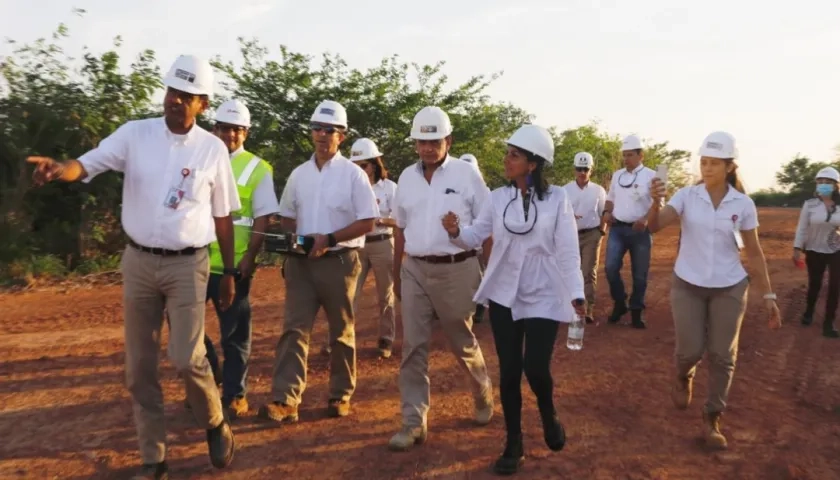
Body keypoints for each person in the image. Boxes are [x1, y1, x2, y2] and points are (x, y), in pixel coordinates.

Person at [27, 54, 238, 479]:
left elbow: (223, 217)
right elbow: (87, 163)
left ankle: (214, 420)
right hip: (139, 261)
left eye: (185, 95)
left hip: (188, 265)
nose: (174, 100)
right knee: (139, 367)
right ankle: (154, 459)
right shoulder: (135, 135)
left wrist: (229, 272)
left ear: (201, 104)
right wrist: (59, 169)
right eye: (171, 91)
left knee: (186, 356)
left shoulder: (212, 150)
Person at [442, 124, 586, 475]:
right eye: (508, 153)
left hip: (544, 293)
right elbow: (477, 235)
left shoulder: (557, 200)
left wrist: (577, 294)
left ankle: (548, 412)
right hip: (505, 292)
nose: (506, 160)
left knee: (535, 368)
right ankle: (513, 442)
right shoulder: (497, 197)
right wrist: (457, 232)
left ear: (533, 164)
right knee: (508, 373)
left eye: (514, 155)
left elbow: (567, 251)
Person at [646, 131, 782, 450]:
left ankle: (712, 417)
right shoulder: (686, 196)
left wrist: (769, 296)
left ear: (729, 166)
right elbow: (654, 226)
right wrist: (655, 202)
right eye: (703, 162)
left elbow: (754, 251)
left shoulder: (743, 204)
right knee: (690, 350)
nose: (706, 169)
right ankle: (684, 373)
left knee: (723, 355)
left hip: (730, 287)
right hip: (688, 284)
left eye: (713, 163)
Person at [258, 100, 378, 424]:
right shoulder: (299, 175)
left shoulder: (354, 175)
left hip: (339, 262)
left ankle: (340, 394)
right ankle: (286, 399)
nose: (322, 135)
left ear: (342, 135)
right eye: (317, 129)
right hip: (301, 264)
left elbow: (368, 222)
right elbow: (287, 217)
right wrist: (295, 244)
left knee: (340, 332)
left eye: (329, 130)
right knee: (294, 330)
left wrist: (329, 239)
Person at [388, 106, 494, 451]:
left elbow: (487, 225)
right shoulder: (406, 177)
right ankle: (413, 421)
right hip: (415, 268)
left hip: (457, 268)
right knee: (413, 346)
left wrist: (486, 270)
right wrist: (396, 271)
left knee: (461, 341)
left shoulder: (467, 175)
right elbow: (400, 227)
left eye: (434, 141)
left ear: (448, 140)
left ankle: (482, 391)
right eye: (421, 141)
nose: (427, 148)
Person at [201, 99, 279, 417]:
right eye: (224, 128)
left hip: (232, 268)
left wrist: (248, 260)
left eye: (236, 129)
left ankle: (235, 395)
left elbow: (261, 218)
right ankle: (208, 376)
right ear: (214, 129)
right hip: (193, 262)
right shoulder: (198, 160)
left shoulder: (258, 168)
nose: (230, 135)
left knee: (234, 334)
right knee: (184, 332)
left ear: (245, 132)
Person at [349, 137, 398, 358]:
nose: (361, 169)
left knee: (384, 295)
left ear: (375, 164)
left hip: (382, 243)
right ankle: (342, 340)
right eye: (356, 166)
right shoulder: (349, 187)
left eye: (365, 165)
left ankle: (386, 339)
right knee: (349, 295)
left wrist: (380, 221)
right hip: (356, 244)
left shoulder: (390, 188)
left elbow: (400, 220)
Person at [602, 134, 657, 328]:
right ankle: (619, 302)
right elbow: (610, 197)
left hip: (640, 232)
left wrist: (645, 220)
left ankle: (636, 310)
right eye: (624, 155)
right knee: (610, 268)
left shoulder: (651, 176)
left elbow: (659, 203)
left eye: (630, 155)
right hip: (618, 229)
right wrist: (607, 211)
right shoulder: (618, 175)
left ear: (641, 155)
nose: (626, 159)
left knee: (640, 274)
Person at [793, 166, 840, 337]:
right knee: (815, 283)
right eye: (820, 182)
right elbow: (802, 227)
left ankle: (829, 322)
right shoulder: (810, 205)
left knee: (835, 286)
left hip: (836, 250)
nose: (823, 185)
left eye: (828, 182)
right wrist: (797, 247)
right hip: (814, 248)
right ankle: (809, 311)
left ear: (836, 185)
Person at [563, 152, 607, 324]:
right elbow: (560, 214)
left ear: (591, 170)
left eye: (586, 169)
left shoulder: (598, 191)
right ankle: (571, 307)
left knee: (588, 271)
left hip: (591, 234)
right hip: (570, 235)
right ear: (574, 170)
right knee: (571, 271)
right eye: (579, 169)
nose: (582, 173)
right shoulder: (565, 190)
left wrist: (601, 232)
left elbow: (604, 212)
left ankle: (588, 308)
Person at [459, 153, 489, 323]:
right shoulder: (450, 191)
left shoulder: (486, 193)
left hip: (477, 245)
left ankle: (478, 307)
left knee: (479, 277)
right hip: (457, 244)